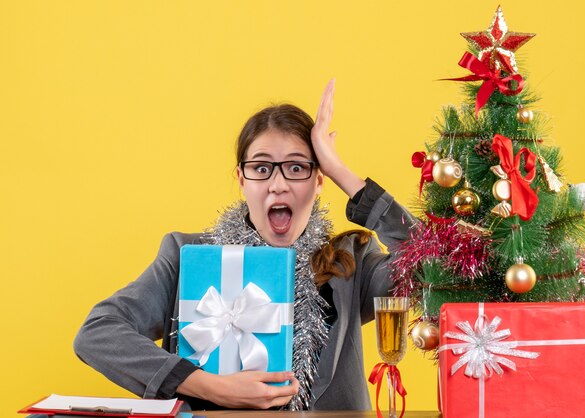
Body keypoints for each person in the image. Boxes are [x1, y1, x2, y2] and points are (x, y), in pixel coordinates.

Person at [73, 80, 414, 411]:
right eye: (261, 168)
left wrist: (343, 173)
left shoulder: (351, 261)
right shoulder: (186, 256)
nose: (278, 185)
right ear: (241, 179)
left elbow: (436, 266)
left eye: (297, 167)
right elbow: (97, 333)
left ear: (319, 179)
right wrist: (207, 385)